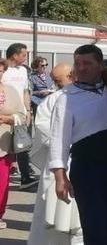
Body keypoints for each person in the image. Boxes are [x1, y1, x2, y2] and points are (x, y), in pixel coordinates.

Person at [48, 44, 107, 245]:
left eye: (87, 63)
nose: (81, 68)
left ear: (100, 65)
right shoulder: (66, 97)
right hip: (88, 169)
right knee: (95, 227)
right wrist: (60, 176)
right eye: (77, 63)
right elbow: (58, 138)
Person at [29, 63, 82, 245]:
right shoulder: (53, 99)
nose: (58, 84)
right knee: (52, 212)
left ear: (72, 75)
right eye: (56, 81)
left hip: (84, 161)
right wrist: (64, 140)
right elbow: (43, 126)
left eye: (60, 80)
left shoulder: (87, 96)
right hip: (60, 160)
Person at [0, 62, 30, 231]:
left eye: (0, 71)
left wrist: (8, 119)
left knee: (2, 183)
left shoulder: (10, 91)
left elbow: (21, 114)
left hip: (3, 144)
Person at [3, 42, 36, 188]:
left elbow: (25, 92)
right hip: (5, 116)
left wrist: (28, 111)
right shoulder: (3, 70)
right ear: (15, 55)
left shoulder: (23, 70)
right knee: (5, 147)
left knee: (22, 145)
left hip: (20, 114)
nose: (26, 57)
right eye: (24, 54)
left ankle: (25, 178)